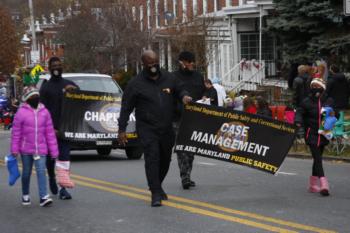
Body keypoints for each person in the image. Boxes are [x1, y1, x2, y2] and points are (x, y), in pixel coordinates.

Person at [118, 50, 191, 207]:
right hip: (147, 127)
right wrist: (121, 129)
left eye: (155, 63)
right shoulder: (135, 84)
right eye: (150, 64)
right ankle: (155, 193)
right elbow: (126, 108)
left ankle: (156, 184)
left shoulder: (169, 78)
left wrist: (184, 96)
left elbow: (180, 89)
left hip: (166, 127)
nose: (153, 66)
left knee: (165, 159)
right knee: (152, 158)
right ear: (143, 64)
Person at [11, 86, 59, 206]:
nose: (35, 98)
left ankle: (43, 197)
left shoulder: (45, 112)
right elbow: (16, 133)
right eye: (32, 96)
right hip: (26, 149)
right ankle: (25, 195)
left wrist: (54, 151)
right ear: (27, 98)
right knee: (26, 173)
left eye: (36, 95)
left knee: (41, 171)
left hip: (41, 149)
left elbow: (50, 133)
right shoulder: (21, 113)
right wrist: (14, 149)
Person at [39, 56, 77, 200]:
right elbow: (42, 111)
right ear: (49, 68)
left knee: (64, 158)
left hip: (65, 129)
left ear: (62, 67)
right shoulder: (46, 87)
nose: (56, 68)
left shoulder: (69, 84)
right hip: (50, 130)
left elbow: (80, 102)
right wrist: (50, 129)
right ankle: (52, 178)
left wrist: (74, 91)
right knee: (50, 159)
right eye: (54, 65)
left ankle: (63, 188)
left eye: (59, 65)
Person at [172, 51, 206, 190]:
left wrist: (205, 98)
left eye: (193, 62)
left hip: (194, 117)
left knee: (191, 150)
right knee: (182, 148)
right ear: (182, 62)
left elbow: (205, 91)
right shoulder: (173, 77)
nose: (192, 64)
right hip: (178, 117)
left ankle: (187, 174)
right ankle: (184, 177)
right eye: (189, 62)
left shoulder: (198, 76)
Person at [295, 78, 333, 196]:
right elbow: (300, 112)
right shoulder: (306, 101)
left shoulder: (328, 100)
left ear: (323, 88)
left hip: (323, 133)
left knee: (318, 158)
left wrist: (331, 114)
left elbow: (334, 113)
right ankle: (324, 183)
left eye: (318, 86)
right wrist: (298, 121)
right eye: (313, 86)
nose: (315, 88)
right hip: (311, 133)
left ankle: (312, 185)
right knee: (317, 158)